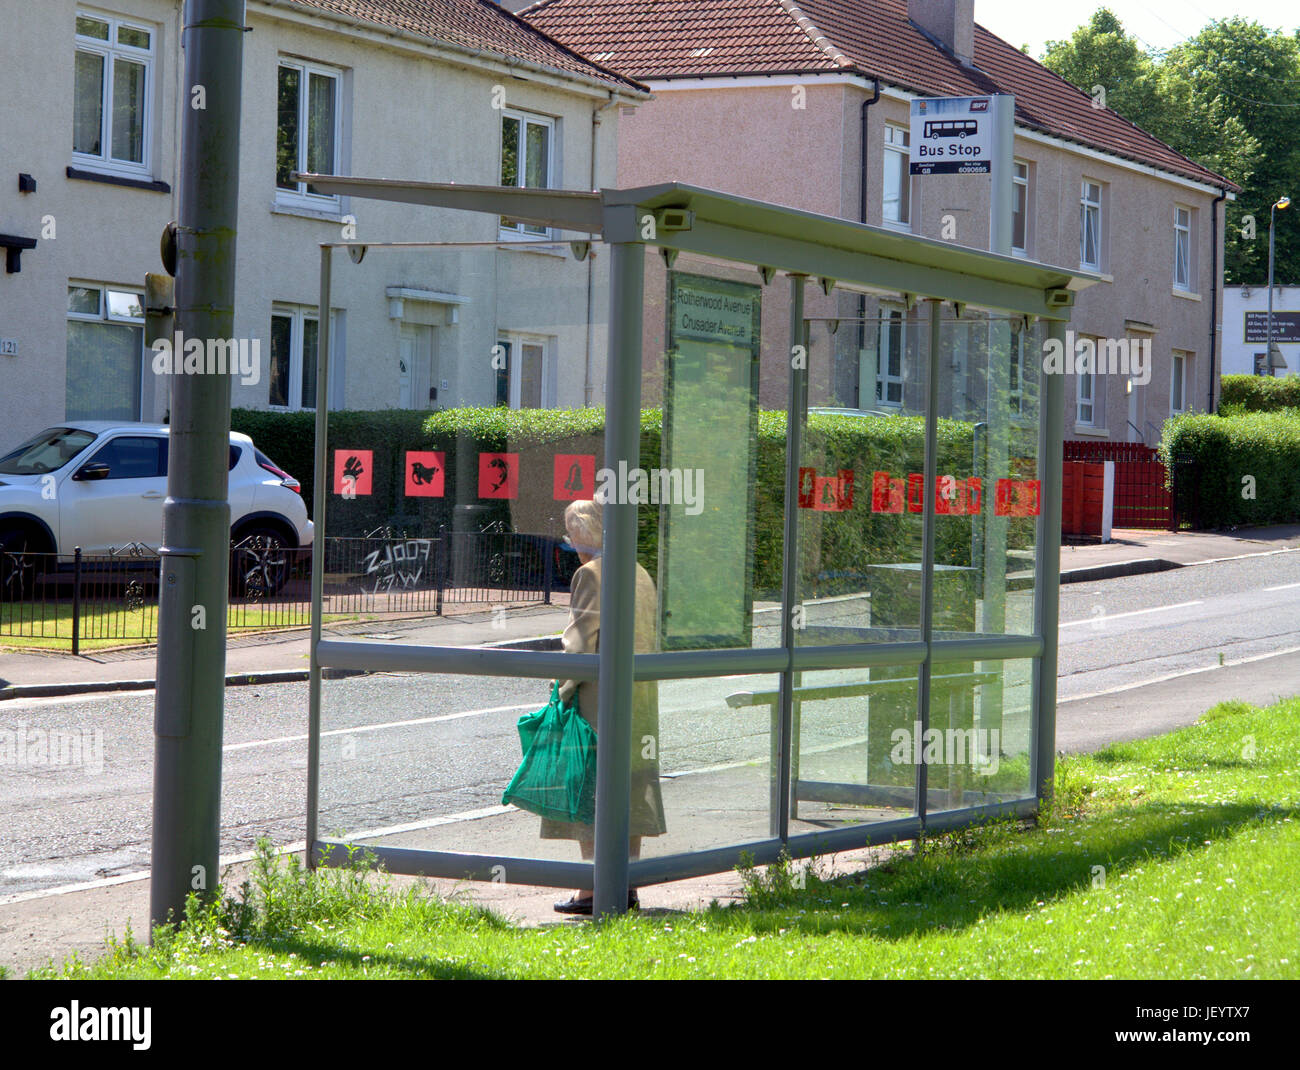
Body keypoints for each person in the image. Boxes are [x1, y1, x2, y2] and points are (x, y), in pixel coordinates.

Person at [545, 498, 667, 914]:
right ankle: (627, 884)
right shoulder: (640, 571)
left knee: (590, 793)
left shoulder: (590, 573)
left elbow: (579, 642)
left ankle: (592, 891)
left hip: (599, 700)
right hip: (639, 698)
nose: (571, 546)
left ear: (582, 535)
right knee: (630, 789)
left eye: (570, 535)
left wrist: (559, 693)